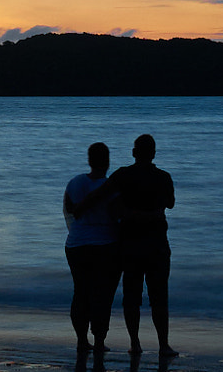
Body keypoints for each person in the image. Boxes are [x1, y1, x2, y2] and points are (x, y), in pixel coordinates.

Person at [80, 133, 177, 357]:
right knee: (159, 296)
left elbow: (99, 195)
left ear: (134, 153)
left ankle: (135, 342)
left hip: (130, 243)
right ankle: (163, 344)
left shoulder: (123, 175)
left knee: (132, 296)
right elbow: (170, 204)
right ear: (153, 154)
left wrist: (79, 209)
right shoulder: (163, 177)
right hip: (157, 244)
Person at [61, 142, 119, 353]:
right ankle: (100, 342)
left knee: (81, 292)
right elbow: (116, 217)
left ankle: (81, 340)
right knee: (102, 295)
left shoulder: (74, 183)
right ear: (108, 161)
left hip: (76, 244)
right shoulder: (112, 187)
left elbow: (68, 210)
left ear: (89, 160)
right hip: (105, 245)